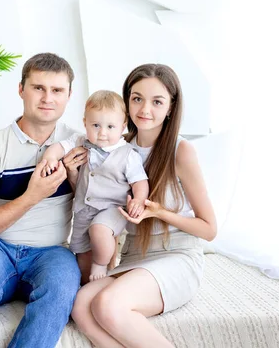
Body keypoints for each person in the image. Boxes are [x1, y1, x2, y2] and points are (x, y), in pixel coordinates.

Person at [0, 53, 88, 348]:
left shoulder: (82, 144)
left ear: (69, 95)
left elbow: (101, 208)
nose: (47, 98)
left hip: (52, 252)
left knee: (62, 285)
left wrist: (76, 180)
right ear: (21, 89)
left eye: (57, 90)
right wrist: (32, 196)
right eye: (38, 88)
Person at [71, 64, 217, 347]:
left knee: (108, 305)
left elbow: (209, 229)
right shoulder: (116, 147)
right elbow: (100, 206)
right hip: (134, 257)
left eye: (157, 101)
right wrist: (72, 173)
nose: (144, 109)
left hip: (177, 256)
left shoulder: (180, 150)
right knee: (81, 305)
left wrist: (160, 212)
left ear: (171, 108)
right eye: (137, 98)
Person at [41, 90, 149, 283]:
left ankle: (102, 264)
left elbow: (139, 181)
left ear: (122, 126)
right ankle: (88, 283)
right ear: (85, 123)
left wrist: (139, 200)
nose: (102, 132)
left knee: (100, 231)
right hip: (83, 210)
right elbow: (59, 147)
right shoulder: (80, 141)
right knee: (81, 252)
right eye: (96, 125)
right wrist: (49, 157)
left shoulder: (128, 155)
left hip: (112, 209)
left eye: (110, 126)